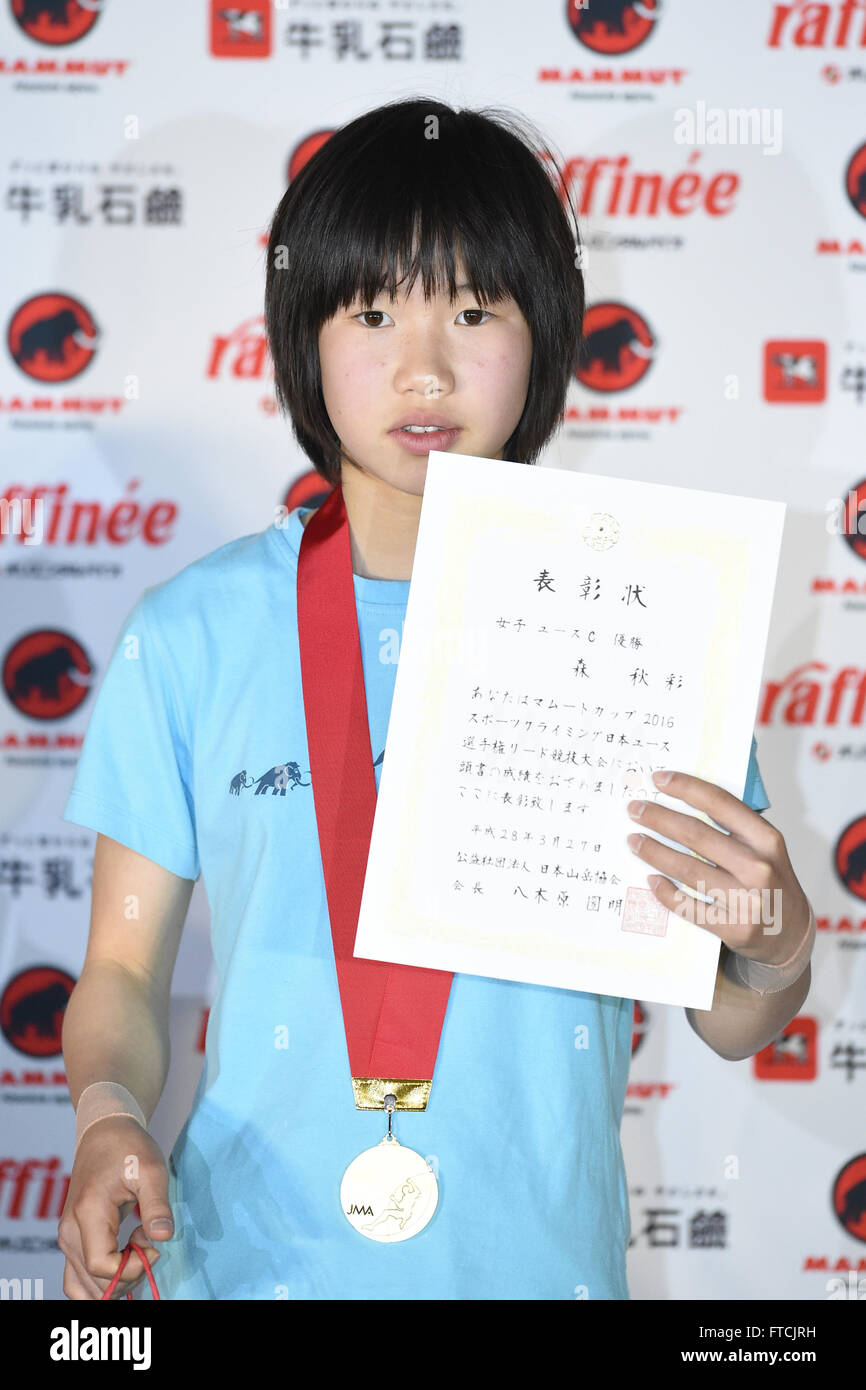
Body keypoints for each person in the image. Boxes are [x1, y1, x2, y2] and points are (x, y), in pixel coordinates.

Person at [58, 97, 813, 1301]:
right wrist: (105, 1114)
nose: (424, 365)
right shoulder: (193, 634)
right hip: (245, 1270)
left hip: (540, 1271)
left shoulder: (645, 619)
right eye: (372, 311)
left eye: (472, 310)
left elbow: (730, 1019)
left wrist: (773, 946)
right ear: (304, 334)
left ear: (545, 332)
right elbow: (121, 976)